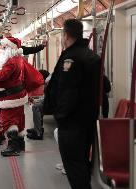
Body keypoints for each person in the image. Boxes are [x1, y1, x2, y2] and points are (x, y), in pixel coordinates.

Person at [44, 19, 100, 189]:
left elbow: (67, 91)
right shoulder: (91, 56)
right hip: (88, 120)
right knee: (82, 162)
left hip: (72, 123)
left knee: (74, 166)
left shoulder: (71, 58)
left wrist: (60, 115)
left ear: (66, 35)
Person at [0, 37, 28, 156]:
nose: (2, 49)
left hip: (9, 97)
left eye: (4, 47)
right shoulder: (16, 58)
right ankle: (20, 144)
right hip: (15, 95)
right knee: (19, 120)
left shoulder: (12, 61)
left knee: (8, 121)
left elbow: (3, 75)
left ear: (10, 48)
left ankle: (13, 146)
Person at [27, 70, 50, 140]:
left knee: (36, 106)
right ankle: (38, 128)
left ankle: (38, 132)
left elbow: (47, 97)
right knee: (38, 104)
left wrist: (37, 101)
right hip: (51, 100)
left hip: (54, 102)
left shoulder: (47, 82)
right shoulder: (48, 80)